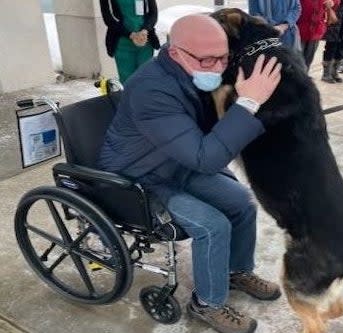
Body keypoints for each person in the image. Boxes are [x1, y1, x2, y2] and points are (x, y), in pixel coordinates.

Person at [97, 14, 282, 333]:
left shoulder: (194, 72)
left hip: (176, 162)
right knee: (213, 225)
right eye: (207, 59)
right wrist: (249, 103)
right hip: (140, 179)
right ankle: (207, 304)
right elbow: (205, 156)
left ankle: (235, 271)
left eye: (223, 57)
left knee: (242, 203)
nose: (218, 67)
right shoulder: (151, 91)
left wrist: (251, 104)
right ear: (174, 52)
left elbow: (210, 131)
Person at [99, 0, 160, 83]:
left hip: (145, 43)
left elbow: (153, 13)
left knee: (146, 79)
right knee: (128, 81)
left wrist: (145, 30)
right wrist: (131, 35)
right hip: (122, 45)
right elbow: (108, 18)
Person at [297, 0, 341, 71]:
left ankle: (303, 78)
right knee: (297, 60)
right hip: (299, 27)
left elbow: (337, 1)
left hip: (316, 30)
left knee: (308, 60)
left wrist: (332, 2)